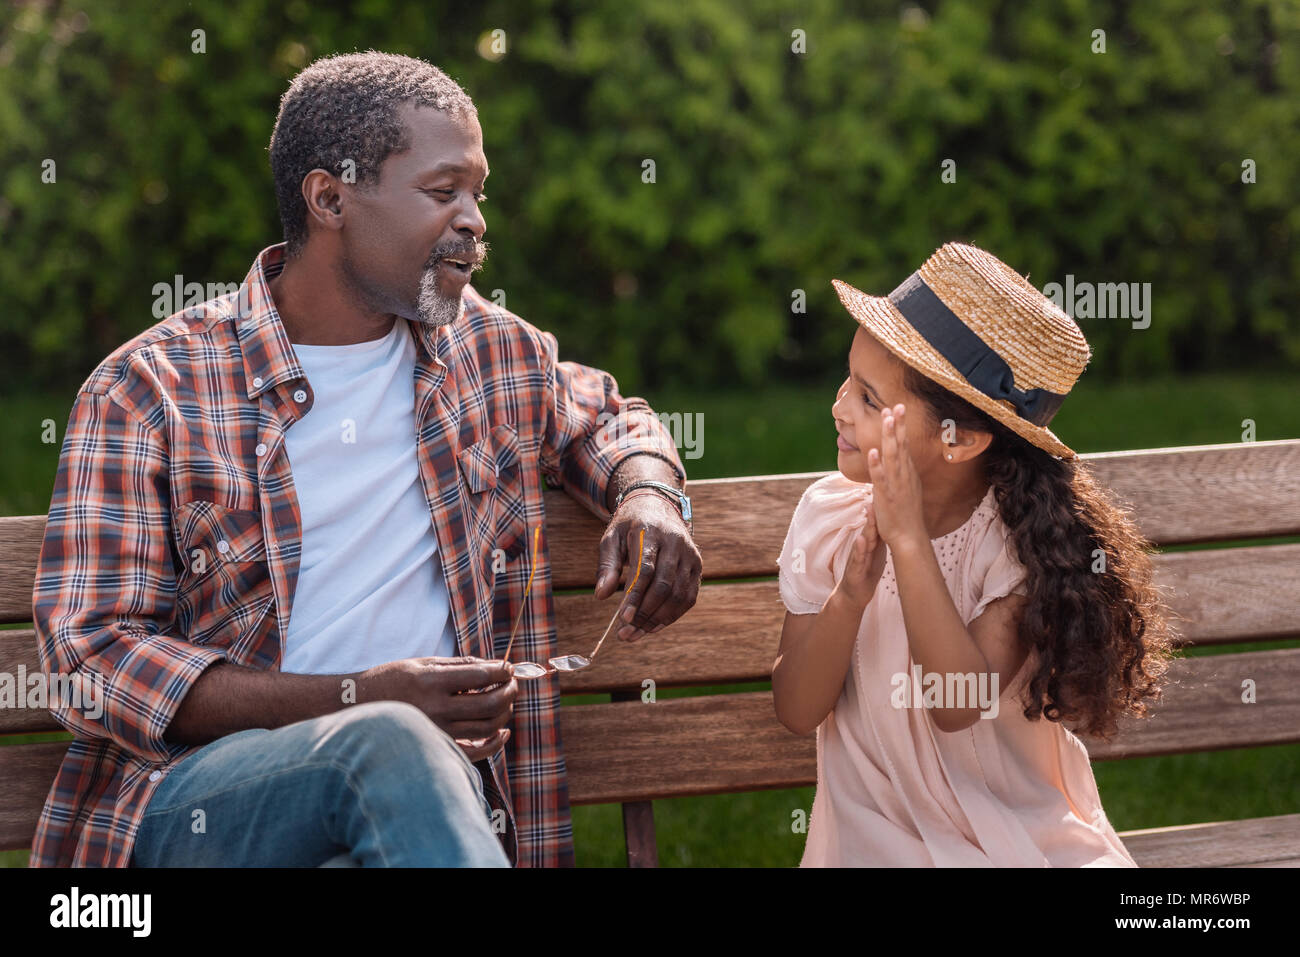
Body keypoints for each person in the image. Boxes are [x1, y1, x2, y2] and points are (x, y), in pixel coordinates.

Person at [30, 51, 701, 868]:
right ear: (330, 197)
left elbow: (610, 418)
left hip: (422, 817)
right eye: (442, 190)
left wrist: (649, 495)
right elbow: (93, 658)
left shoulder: (490, 355)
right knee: (387, 742)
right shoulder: (151, 391)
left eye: (478, 194)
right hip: (201, 808)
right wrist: (360, 700)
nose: (475, 220)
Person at [771, 242, 1175, 866]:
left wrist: (908, 543)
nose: (839, 407)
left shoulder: (1012, 548)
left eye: (870, 399)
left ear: (961, 441)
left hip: (1011, 834)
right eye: (849, 380)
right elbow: (797, 710)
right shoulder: (829, 521)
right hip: (875, 841)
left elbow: (956, 703)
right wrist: (849, 596)